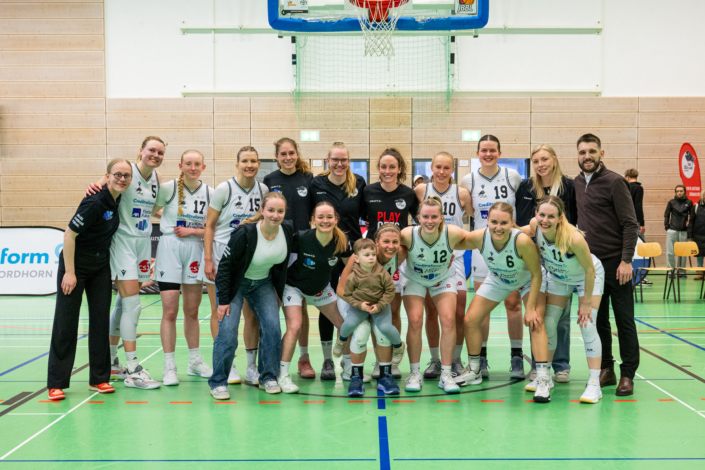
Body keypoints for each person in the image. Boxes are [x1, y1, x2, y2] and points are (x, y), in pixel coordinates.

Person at [47, 159, 133, 400]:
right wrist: (70, 273)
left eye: (126, 175)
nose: (122, 179)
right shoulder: (94, 202)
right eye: (117, 175)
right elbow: (69, 235)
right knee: (66, 322)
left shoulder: (118, 198)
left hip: (100, 266)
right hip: (75, 263)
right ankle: (56, 383)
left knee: (100, 322)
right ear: (108, 175)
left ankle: (99, 379)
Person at [87, 136, 166, 390]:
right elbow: (99, 188)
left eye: (160, 152)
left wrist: (174, 217)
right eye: (151, 150)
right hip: (123, 242)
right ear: (140, 151)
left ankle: (112, 362)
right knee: (133, 306)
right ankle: (133, 370)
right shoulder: (126, 172)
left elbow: (150, 209)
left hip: (143, 243)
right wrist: (94, 186)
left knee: (123, 304)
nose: (155, 155)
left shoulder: (156, 178)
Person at [456, 202, 549, 402]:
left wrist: (530, 308)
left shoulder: (522, 241)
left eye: (504, 223)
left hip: (528, 280)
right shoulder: (479, 237)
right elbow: (453, 242)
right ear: (487, 221)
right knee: (470, 320)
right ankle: (474, 369)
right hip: (498, 279)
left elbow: (536, 275)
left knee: (536, 321)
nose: (498, 227)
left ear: (512, 222)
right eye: (494, 222)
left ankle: (543, 378)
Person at [209, 192, 294, 399]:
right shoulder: (245, 233)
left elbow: (282, 266)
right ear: (262, 211)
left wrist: (278, 291)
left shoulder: (287, 230)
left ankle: (268, 377)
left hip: (263, 282)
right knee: (228, 330)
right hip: (236, 284)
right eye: (271, 210)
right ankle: (218, 382)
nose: (275, 215)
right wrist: (223, 300)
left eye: (280, 211)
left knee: (273, 327)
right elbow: (225, 267)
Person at [520, 196, 604, 403]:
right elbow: (519, 233)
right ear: (536, 215)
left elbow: (590, 270)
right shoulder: (535, 226)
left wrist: (585, 304)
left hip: (586, 277)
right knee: (548, 323)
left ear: (560, 218)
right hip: (559, 277)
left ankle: (594, 384)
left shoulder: (573, 238)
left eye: (551, 216)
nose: (545, 220)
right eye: (541, 215)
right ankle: (545, 376)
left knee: (587, 324)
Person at [574, 133, 640, 396]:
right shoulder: (577, 182)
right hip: (591, 266)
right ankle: (606, 369)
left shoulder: (615, 181)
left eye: (592, 151)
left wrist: (626, 260)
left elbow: (630, 223)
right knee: (598, 321)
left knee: (624, 321)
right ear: (578, 155)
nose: (587, 156)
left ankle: (628, 374)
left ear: (601, 153)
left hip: (616, 264)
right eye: (582, 152)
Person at [459, 136, 525, 380]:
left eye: (492, 150)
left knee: (512, 303)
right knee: (482, 306)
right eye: (484, 150)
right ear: (477, 153)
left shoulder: (512, 176)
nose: (488, 154)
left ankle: (516, 357)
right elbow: (469, 212)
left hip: (509, 247)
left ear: (500, 152)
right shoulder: (468, 180)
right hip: (482, 248)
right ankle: (482, 357)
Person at [201, 146, 268, 386]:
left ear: (258, 164)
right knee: (221, 312)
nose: (249, 165)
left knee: (252, 315)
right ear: (237, 164)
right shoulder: (224, 189)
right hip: (221, 255)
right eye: (245, 161)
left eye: (253, 161)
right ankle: (226, 365)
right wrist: (208, 259)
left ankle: (251, 367)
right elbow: (209, 226)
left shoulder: (263, 190)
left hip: (250, 258)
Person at [152, 150, 213, 385]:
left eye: (197, 164)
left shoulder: (210, 193)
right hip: (170, 248)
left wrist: (193, 231)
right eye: (188, 163)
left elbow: (213, 226)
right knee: (169, 312)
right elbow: (152, 210)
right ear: (181, 166)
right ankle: (169, 366)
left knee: (192, 311)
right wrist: (169, 218)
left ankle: (195, 362)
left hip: (195, 248)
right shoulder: (168, 188)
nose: (193, 167)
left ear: (203, 167)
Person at [516, 144, 576, 383]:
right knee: (537, 314)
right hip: (535, 256)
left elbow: (575, 221)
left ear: (554, 159)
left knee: (561, 316)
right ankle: (539, 364)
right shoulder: (526, 187)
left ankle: (561, 365)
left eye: (544, 159)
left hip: (562, 256)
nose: (540, 165)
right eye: (536, 161)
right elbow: (523, 222)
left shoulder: (569, 186)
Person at [401, 196, 473, 394]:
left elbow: (479, 239)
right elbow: (386, 245)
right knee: (415, 320)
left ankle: (446, 374)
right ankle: (414, 373)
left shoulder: (452, 233)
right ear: (418, 217)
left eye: (434, 217)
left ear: (442, 217)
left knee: (449, 320)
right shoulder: (407, 234)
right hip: (414, 278)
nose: (430, 221)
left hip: (443, 278)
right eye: (425, 217)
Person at [310, 142, 367, 380]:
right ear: (328, 161)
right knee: (327, 305)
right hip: (327, 251)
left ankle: (348, 361)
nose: (339, 164)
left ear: (349, 161)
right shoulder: (317, 184)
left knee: (352, 305)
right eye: (335, 159)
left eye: (344, 160)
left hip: (352, 253)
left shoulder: (359, 183)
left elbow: (368, 216)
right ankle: (327, 361)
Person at [279, 202, 347, 393]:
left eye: (329, 217)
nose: (325, 221)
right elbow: (284, 264)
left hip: (320, 289)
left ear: (336, 219)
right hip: (294, 287)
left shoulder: (341, 241)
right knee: (295, 326)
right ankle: (282, 375)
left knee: (345, 326)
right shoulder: (301, 238)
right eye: (320, 217)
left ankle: (350, 367)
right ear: (313, 220)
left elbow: (351, 267)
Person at [416, 151, 472, 379]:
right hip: (428, 258)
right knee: (431, 311)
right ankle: (435, 360)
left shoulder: (462, 193)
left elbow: (472, 216)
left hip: (455, 257)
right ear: (431, 167)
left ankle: (456, 359)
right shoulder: (421, 190)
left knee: (458, 312)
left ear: (453, 170)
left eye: (446, 167)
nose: (441, 171)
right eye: (438, 167)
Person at [363, 148, 418, 377]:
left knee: (394, 311)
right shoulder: (368, 192)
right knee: (375, 312)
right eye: (383, 167)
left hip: (398, 259)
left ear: (399, 169)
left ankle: (393, 362)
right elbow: (362, 221)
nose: (387, 171)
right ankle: (379, 360)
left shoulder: (408, 194)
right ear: (378, 168)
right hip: (374, 260)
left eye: (392, 167)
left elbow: (420, 223)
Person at [264, 138, 316, 378]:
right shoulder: (269, 181)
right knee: (272, 305)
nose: (287, 157)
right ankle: (272, 358)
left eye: (291, 153)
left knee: (300, 306)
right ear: (277, 157)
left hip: (300, 250)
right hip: (275, 248)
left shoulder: (308, 179)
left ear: (297, 154)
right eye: (283, 154)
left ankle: (304, 359)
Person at [336, 224, 408, 394]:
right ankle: (356, 377)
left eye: (395, 242)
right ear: (376, 242)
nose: (391, 246)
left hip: (377, 300)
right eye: (386, 241)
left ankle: (385, 375)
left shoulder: (401, 254)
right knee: (361, 330)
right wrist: (359, 304)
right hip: (352, 298)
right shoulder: (358, 258)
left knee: (382, 332)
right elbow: (341, 289)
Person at [625, 169, 651, 286]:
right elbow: (638, 206)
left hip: (626, 222)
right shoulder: (638, 188)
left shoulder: (625, 187)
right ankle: (641, 277)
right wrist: (642, 223)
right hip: (635, 222)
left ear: (627, 177)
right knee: (640, 249)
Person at [664, 184, 693, 272]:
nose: (679, 193)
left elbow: (692, 215)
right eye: (677, 191)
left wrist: (689, 224)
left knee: (682, 253)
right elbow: (666, 214)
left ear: (684, 192)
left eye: (681, 191)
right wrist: (667, 226)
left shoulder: (689, 202)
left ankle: (681, 271)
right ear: (675, 192)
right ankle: (671, 271)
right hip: (672, 230)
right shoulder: (671, 202)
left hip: (684, 231)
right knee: (670, 252)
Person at [688, 189, 705, 280]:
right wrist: (690, 235)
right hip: (698, 235)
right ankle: (699, 272)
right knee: (699, 255)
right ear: (702, 196)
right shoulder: (696, 207)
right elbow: (691, 222)